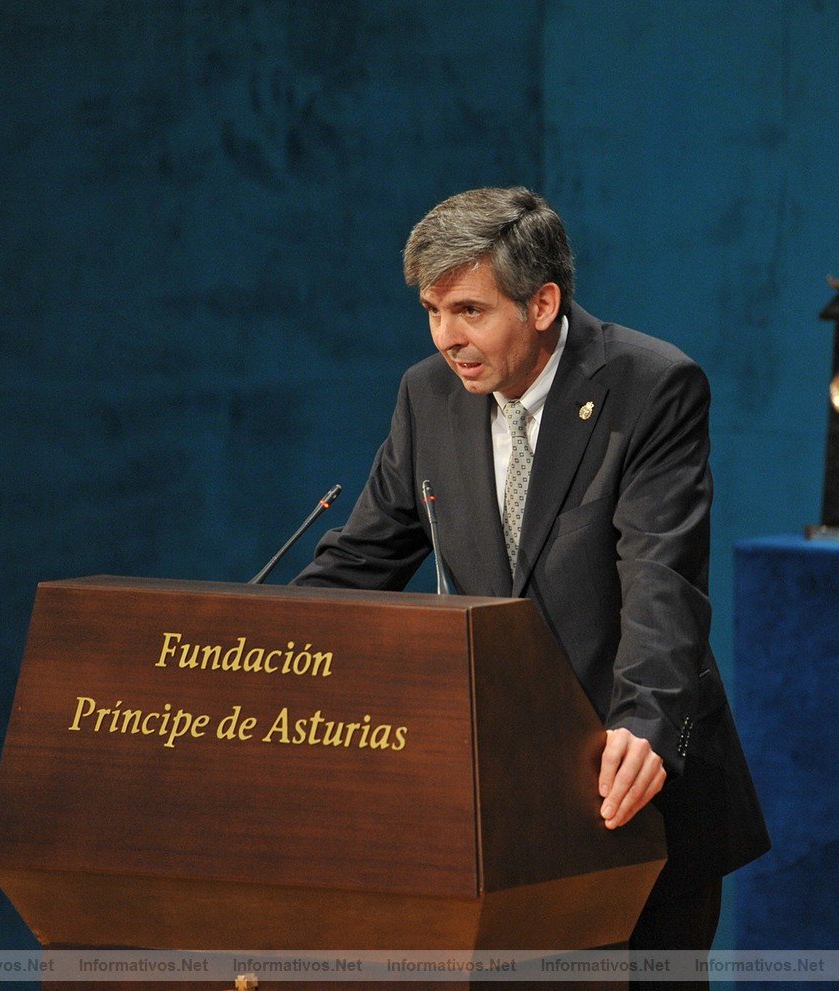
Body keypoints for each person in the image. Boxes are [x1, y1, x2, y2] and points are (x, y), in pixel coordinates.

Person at [295, 187, 770, 957]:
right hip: (495, 803)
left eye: (470, 311)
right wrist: (260, 656)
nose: (447, 338)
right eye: (432, 310)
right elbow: (362, 558)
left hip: (629, 794)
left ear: (543, 302)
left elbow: (663, 579)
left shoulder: (650, 387)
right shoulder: (427, 396)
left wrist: (645, 724)